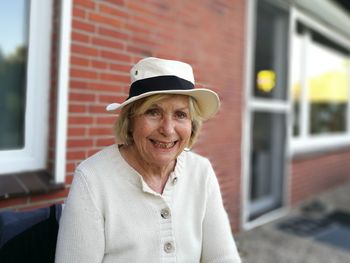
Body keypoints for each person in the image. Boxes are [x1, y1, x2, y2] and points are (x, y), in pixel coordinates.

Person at [55, 57, 241, 263]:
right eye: (153, 112)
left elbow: (223, 257)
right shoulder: (92, 179)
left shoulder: (201, 171)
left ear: (192, 125)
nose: (168, 129)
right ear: (130, 121)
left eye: (180, 114)